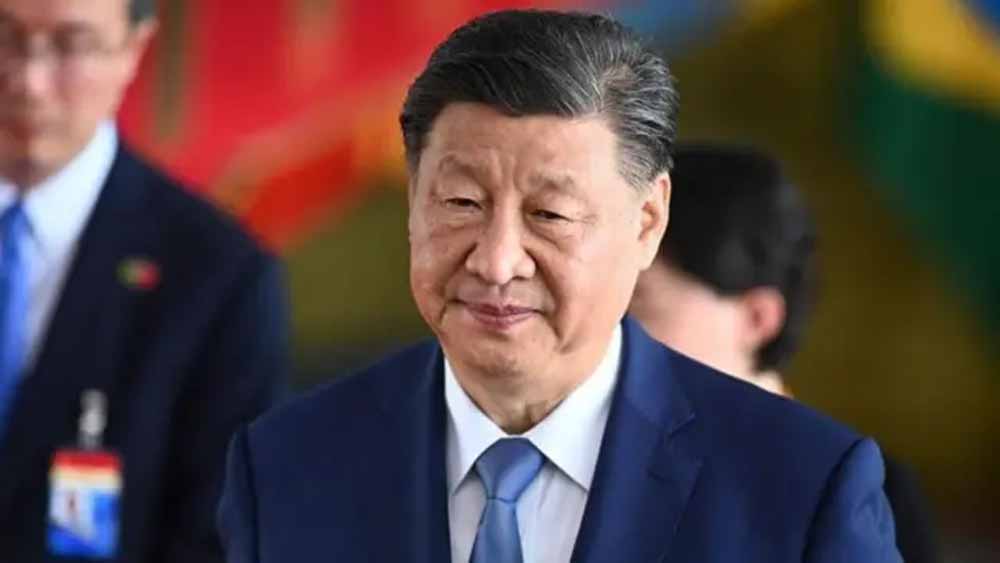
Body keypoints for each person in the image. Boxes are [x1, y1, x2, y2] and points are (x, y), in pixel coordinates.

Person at [218, 10, 901, 563]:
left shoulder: (800, 488)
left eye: (549, 215)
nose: (496, 262)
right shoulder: (286, 464)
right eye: (460, 203)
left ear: (646, 222)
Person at [0, 1, 288, 562]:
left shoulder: (218, 281)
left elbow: (219, 540)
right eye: (4, 36)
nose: (30, 81)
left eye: (71, 44)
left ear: (133, 49)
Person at [629, 143, 939, 563]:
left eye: (639, 303)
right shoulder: (602, 453)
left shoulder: (873, 496)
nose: (613, 323)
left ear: (758, 318)